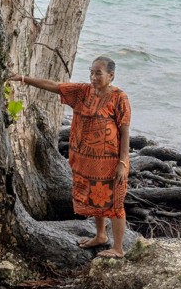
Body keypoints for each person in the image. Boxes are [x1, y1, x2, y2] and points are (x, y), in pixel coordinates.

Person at [11, 56, 132, 258]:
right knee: (96, 198)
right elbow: (54, 86)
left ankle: (118, 248)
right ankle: (101, 236)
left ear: (111, 75)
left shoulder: (119, 97)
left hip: (111, 162)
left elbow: (125, 131)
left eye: (98, 73)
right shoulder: (82, 91)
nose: (93, 77)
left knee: (115, 204)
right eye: (91, 72)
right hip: (86, 161)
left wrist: (122, 162)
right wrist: (23, 78)